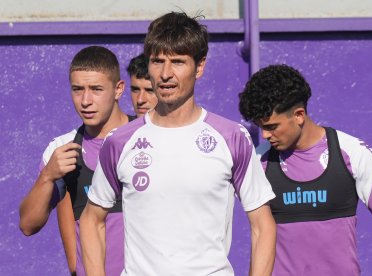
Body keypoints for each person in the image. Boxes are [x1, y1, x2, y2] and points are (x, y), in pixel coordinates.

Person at [80, 12, 277, 276]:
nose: (165, 74)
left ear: (200, 66)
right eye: (157, 61)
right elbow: (92, 220)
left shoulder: (231, 138)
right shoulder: (119, 142)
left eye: (178, 62)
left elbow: (262, 225)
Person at [238, 64, 372, 275]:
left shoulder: (354, 153)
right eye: (261, 127)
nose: (265, 135)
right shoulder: (258, 162)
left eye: (272, 126)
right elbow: (258, 235)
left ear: (299, 115)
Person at [19, 46, 133, 276]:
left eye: (96, 89)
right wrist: (47, 175)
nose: (85, 100)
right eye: (77, 89)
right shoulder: (62, 148)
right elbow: (28, 224)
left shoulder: (148, 138)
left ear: (118, 89)